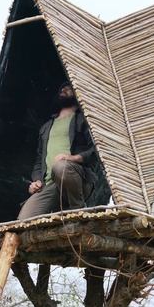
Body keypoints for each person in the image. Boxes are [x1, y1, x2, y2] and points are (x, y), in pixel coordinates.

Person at [17, 82, 97, 220]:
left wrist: (72, 158)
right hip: (50, 184)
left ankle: (77, 210)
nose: (64, 89)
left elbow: (95, 150)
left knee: (61, 167)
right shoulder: (46, 127)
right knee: (23, 220)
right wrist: (36, 181)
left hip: (76, 178)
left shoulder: (83, 120)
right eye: (62, 88)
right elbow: (39, 159)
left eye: (69, 88)